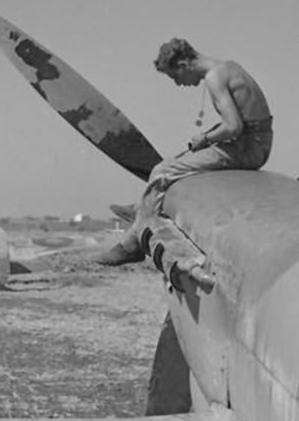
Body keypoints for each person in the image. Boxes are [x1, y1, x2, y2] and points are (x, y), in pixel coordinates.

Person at [98, 38, 273, 266]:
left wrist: (206, 138)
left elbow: (233, 126)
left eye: (175, 77)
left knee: (163, 170)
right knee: (176, 162)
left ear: (183, 65)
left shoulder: (214, 78)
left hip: (248, 147)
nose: (179, 84)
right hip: (256, 141)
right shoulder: (228, 67)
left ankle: (133, 244)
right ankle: (143, 209)